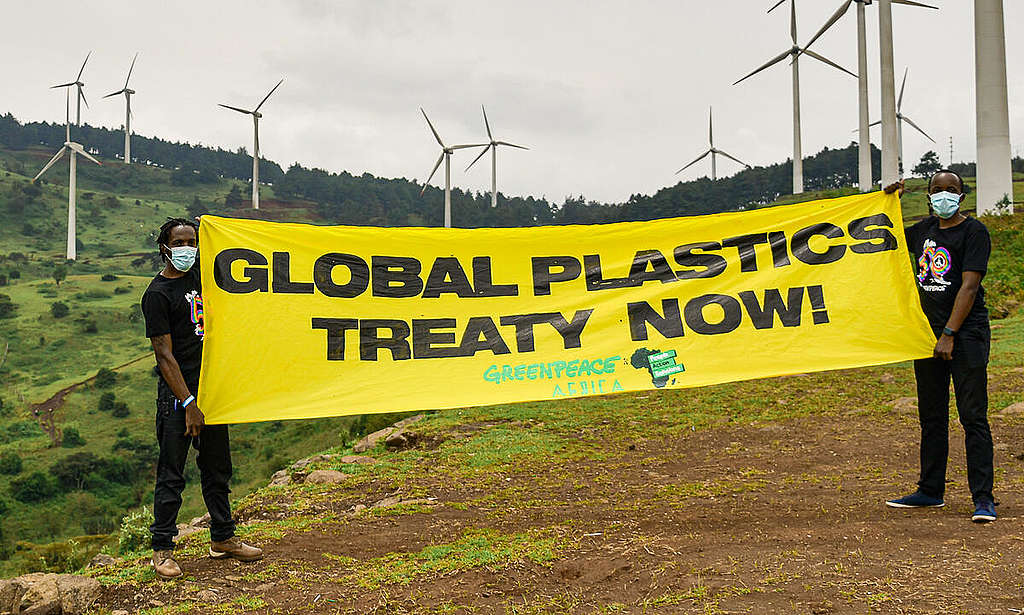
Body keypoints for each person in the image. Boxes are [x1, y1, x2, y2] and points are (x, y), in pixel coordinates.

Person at [141, 217, 263, 580]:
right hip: (179, 399)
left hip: (212, 392)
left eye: (192, 241)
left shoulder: (202, 279)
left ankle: (223, 538)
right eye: (179, 243)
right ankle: (162, 551)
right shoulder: (157, 294)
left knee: (217, 468)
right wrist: (188, 403)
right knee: (171, 475)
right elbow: (164, 356)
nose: (187, 249)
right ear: (164, 247)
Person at [883, 171, 996, 523]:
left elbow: (969, 287)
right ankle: (930, 491)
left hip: (965, 336)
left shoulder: (974, 232)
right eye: (936, 191)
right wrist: (889, 201)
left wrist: (949, 333)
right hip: (926, 335)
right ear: (927, 196)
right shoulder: (923, 231)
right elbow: (884, 241)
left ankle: (983, 498)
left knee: (972, 416)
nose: (943, 195)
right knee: (932, 417)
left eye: (951, 190)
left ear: (962, 196)